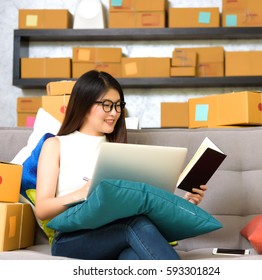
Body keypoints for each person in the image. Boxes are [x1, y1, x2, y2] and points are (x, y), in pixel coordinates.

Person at [35, 70, 208, 260]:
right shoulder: (56, 145)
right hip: (71, 239)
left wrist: (184, 204)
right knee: (133, 224)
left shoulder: (121, 152)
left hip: (116, 236)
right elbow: (42, 209)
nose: (115, 113)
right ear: (84, 105)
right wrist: (83, 192)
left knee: (133, 256)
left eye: (118, 106)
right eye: (107, 105)